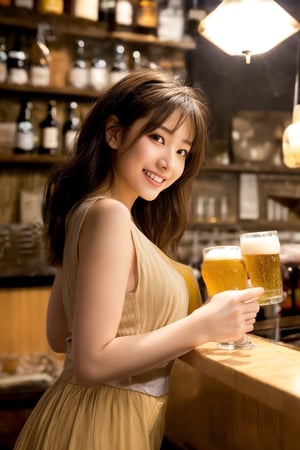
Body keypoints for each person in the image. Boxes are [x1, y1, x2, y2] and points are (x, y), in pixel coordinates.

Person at [14, 69, 262, 450]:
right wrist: (203, 324)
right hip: (100, 428)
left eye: (182, 151)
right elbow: (91, 363)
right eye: (157, 138)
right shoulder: (110, 216)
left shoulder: (84, 210)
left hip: (72, 417)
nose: (169, 163)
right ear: (114, 133)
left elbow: (58, 333)